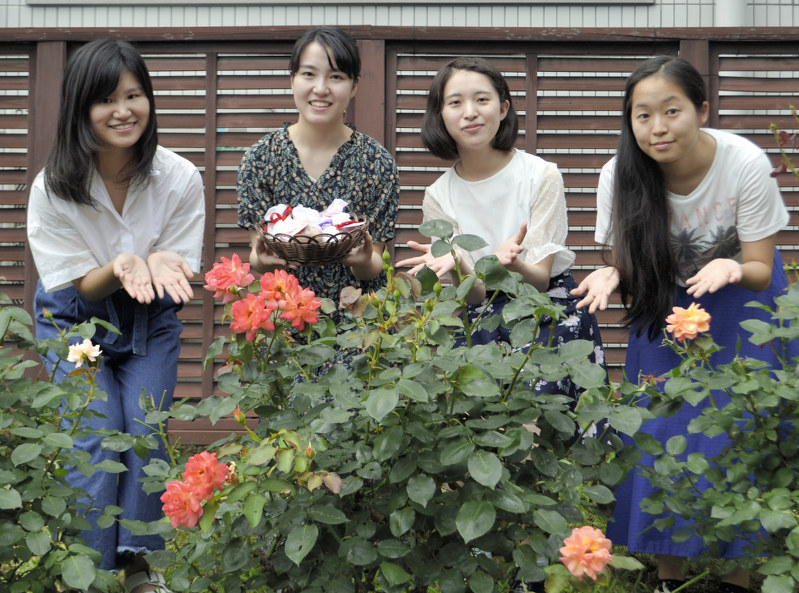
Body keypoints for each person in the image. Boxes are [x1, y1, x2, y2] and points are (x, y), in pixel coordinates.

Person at [573, 56, 797, 593]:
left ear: (701, 109)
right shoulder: (618, 174)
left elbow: (760, 266)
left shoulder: (744, 162)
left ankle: (739, 576)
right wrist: (612, 273)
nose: (658, 127)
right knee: (657, 426)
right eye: (642, 115)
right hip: (665, 297)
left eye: (671, 111)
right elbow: (626, 260)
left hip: (743, 293)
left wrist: (732, 268)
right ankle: (667, 574)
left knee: (742, 424)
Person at [26, 39, 205, 592]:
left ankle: (137, 566)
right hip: (76, 317)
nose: (123, 110)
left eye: (133, 95)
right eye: (106, 99)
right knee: (97, 433)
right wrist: (124, 263)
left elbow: (176, 263)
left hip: (150, 315)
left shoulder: (179, 176)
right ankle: (88, 570)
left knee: (146, 430)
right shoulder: (54, 186)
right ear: (81, 108)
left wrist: (158, 261)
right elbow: (81, 284)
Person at [397, 56, 605, 400]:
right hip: (481, 324)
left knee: (546, 424)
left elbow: (539, 280)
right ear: (440, 115)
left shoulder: (541, 176)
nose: (470, 112)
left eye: (482, 99)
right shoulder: (438, 195)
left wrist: (513, 264)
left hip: (545, 315)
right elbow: (475, 295)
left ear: (504, 108)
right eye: (455, 102)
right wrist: (459, 263)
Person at [237, 26, 399, 308]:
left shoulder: (377, 162)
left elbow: (374, 262)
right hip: (285, 319)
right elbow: (258, 255)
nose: (321, 88)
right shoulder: (260, 158)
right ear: (292, 79)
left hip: (359, 322)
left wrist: (362, 262)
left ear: (354, 85)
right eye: (309, 74)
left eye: (336, 76)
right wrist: (260, 260)